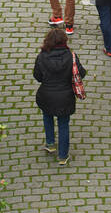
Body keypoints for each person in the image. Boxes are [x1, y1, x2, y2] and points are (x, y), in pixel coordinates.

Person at [33, 27, 86, 166]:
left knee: (47, 117)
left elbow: (37, 76)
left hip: (46, 96)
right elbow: (81, 73)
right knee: (63, 124)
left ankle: (50, 143)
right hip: (65, 97)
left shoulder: (42, 56)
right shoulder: (71, 56)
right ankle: (63, 156)